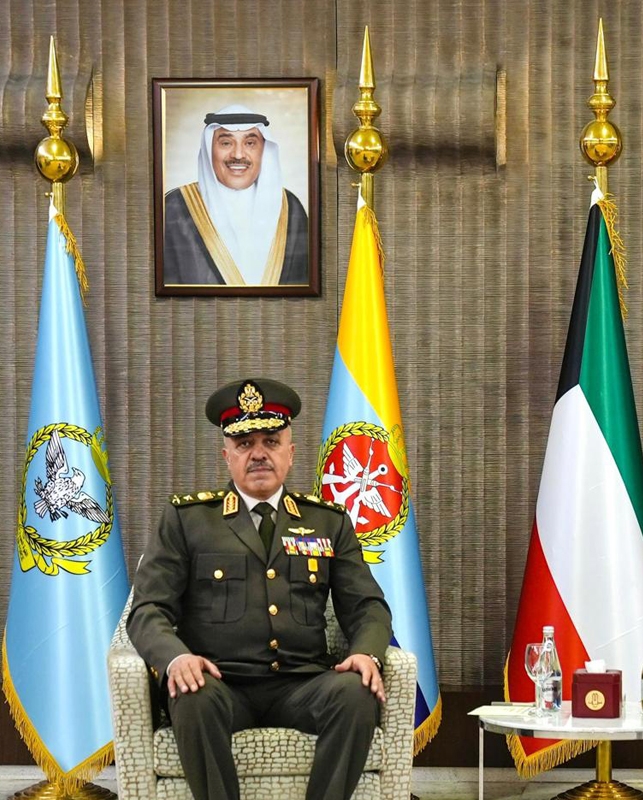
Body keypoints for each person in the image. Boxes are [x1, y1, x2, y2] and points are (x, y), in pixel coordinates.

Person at [127, 377, 392, 800]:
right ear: (227, 455)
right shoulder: (188, 520)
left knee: (356, 693)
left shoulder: (327, 521)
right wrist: (176, 658)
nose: (258, 453)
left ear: (291, 452)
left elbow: (367, 606)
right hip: (220, 683)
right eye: (245, 443)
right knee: (191, 694)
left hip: (302, 684)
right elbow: (148, 611)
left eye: (271, 441)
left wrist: (366, 653)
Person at [163, 105, 309, 286]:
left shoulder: (290, 208)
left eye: (250, 143)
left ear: (264, 149)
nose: (238, 155)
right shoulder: (174, 207)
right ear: (209, 149)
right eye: (226, 143)